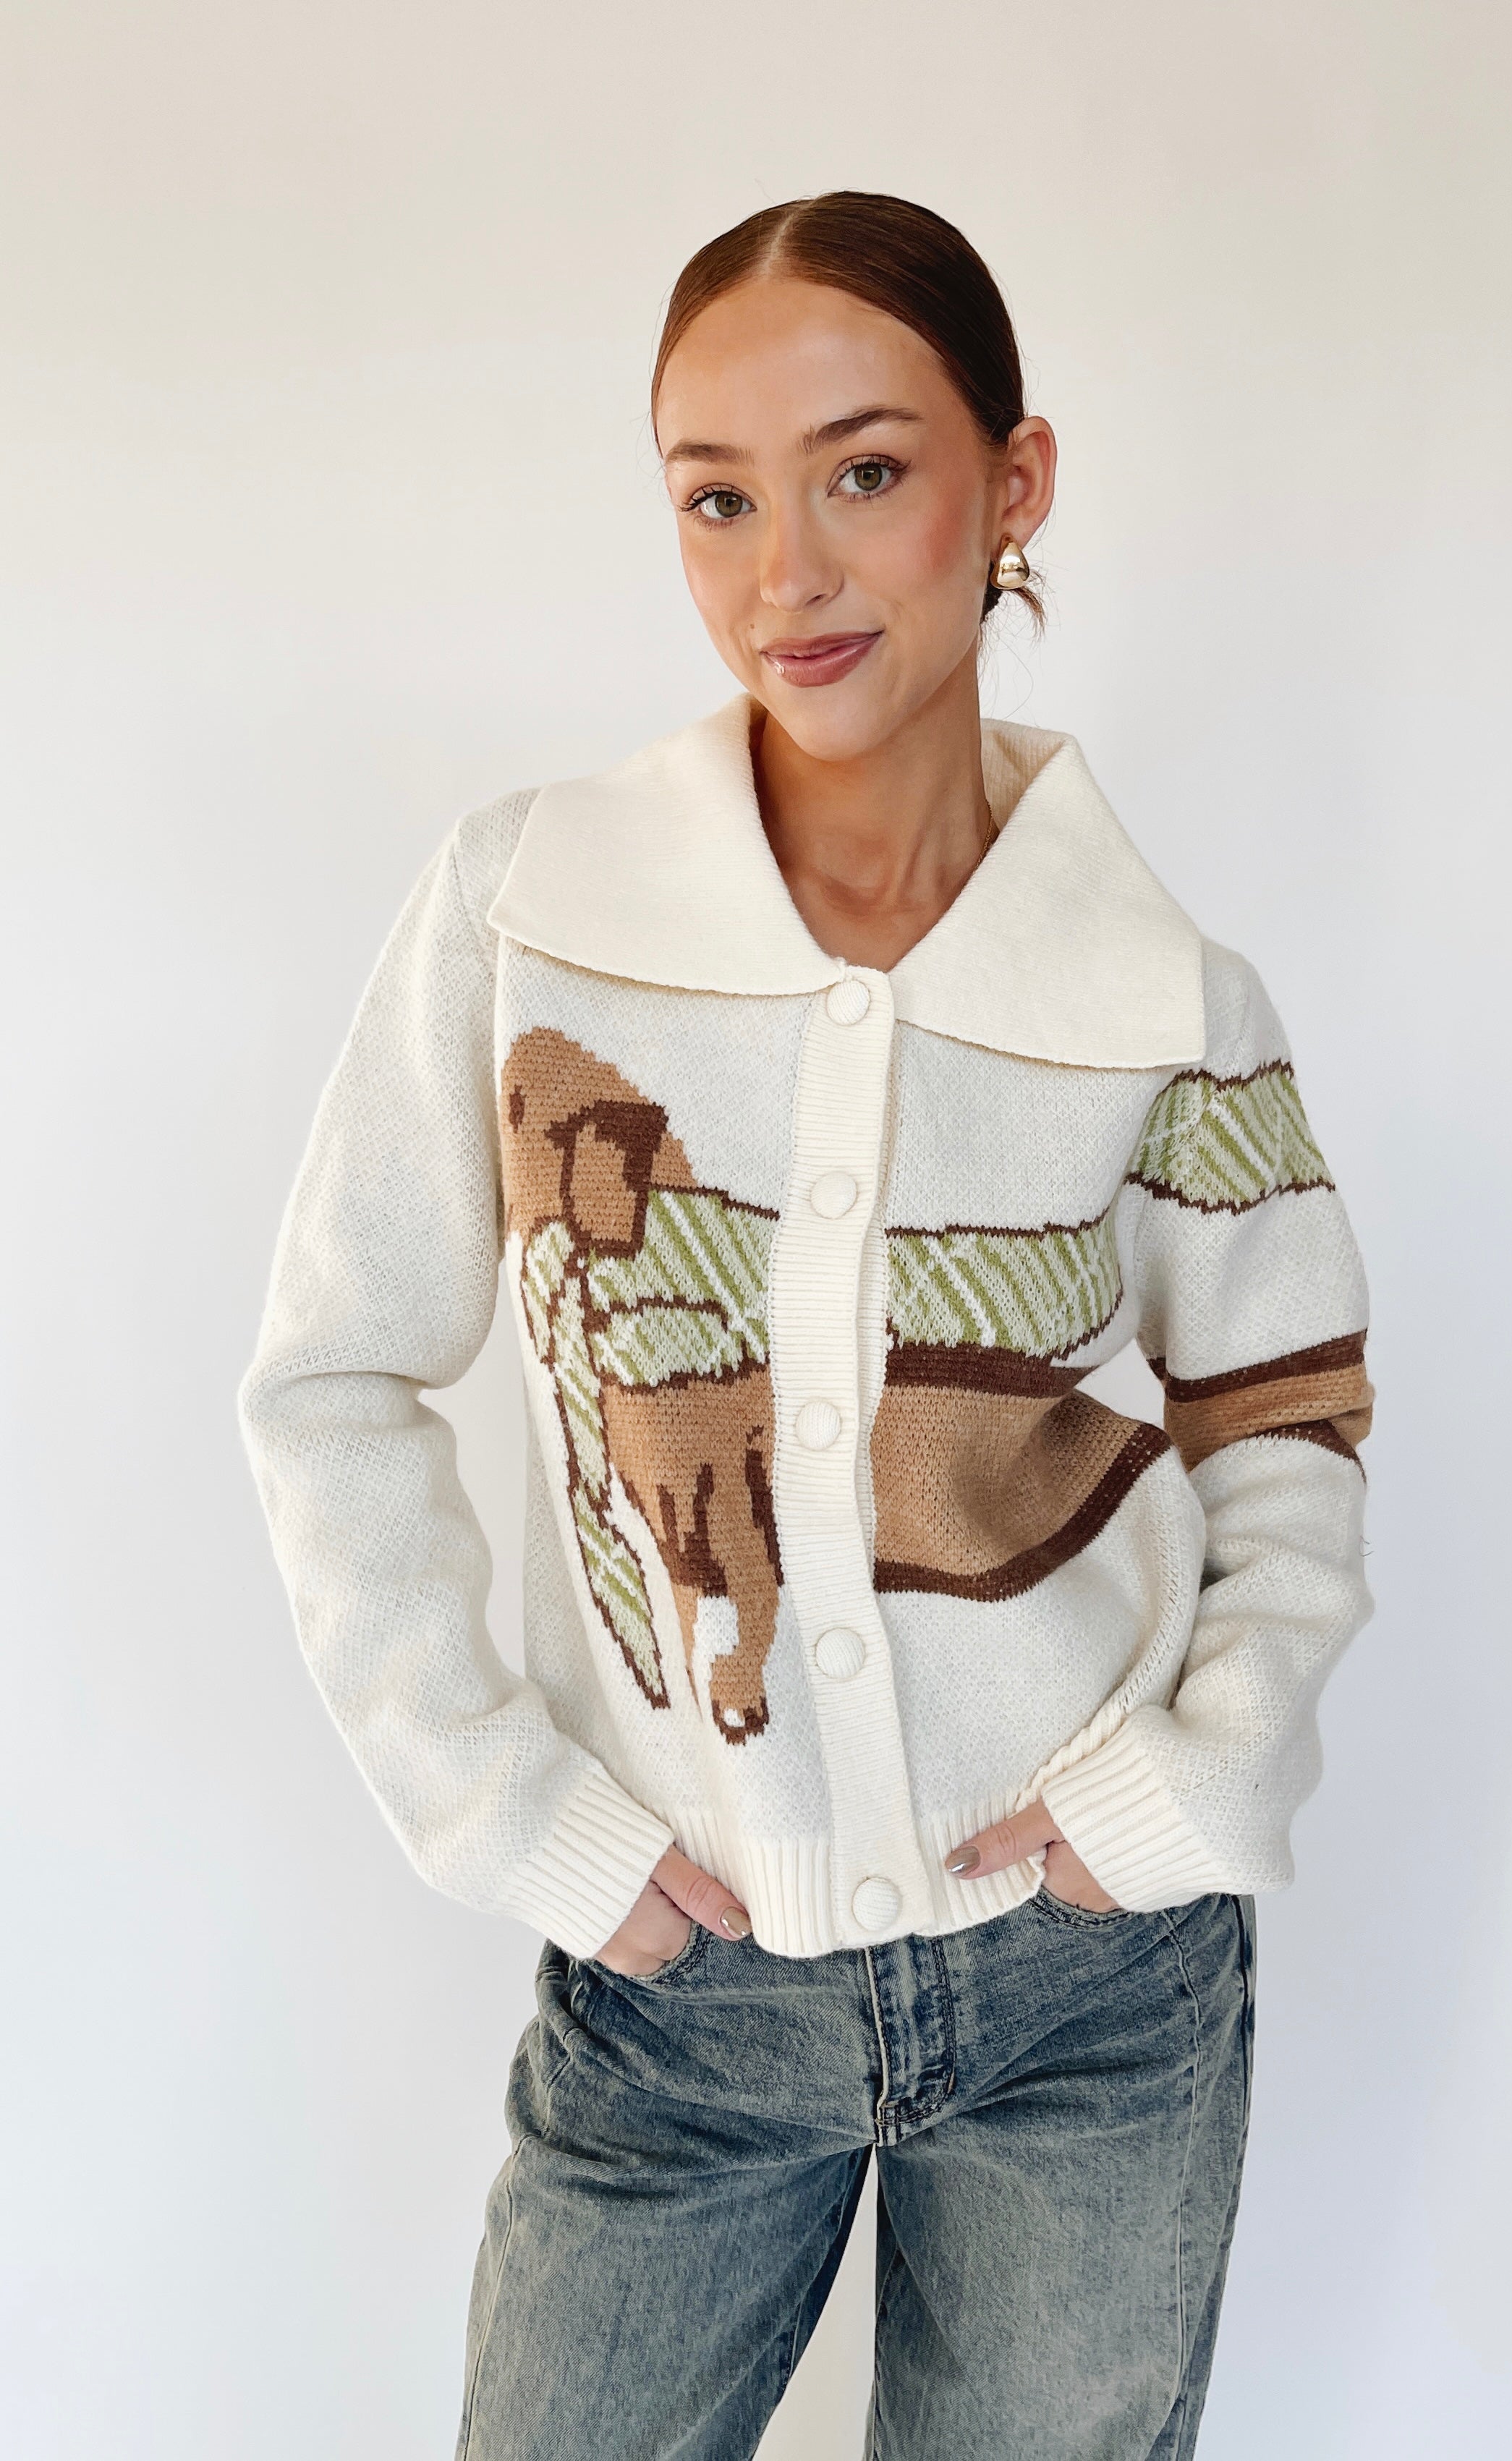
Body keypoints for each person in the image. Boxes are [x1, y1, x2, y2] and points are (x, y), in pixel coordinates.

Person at [241, 191, 1373, 2461]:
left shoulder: (1158, 995)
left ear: (1014, 482)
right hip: (678, 1999)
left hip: (1089, 1996)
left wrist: (1184, 1785)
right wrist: (513, 1809)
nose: (788, 576)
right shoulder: (534, 908)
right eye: (716, 499)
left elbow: (1282, 1420)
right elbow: (334, 1374)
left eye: (863, 471)